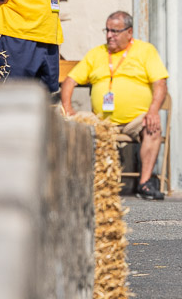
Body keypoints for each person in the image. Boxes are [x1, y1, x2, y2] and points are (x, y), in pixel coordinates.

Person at [61, 11, 169, 201]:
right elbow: (70, 81)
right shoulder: (97, 53)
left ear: (129, 32)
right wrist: (68, 109)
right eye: (108, 30)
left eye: (115, 31)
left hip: (135, 120)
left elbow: (160, 83)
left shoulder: (145, 50)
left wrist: (153, 111)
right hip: (101, 120)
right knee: (67, 121)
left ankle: (144, 183)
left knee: (152, 127)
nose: (110, 35)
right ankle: (80, 184)